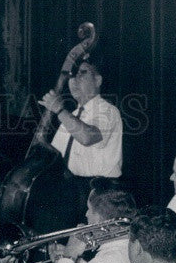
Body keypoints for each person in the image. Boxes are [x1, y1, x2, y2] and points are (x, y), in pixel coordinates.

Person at [38, 60, 122, 215]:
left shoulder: (107, 111)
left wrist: (59, 110)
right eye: (72, 76)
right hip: (71, 190)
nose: (74, 80)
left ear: (98, 80)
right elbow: (53, 157)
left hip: (99, 194)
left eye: (82, 73)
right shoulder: (72, 116)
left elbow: (87, 137)